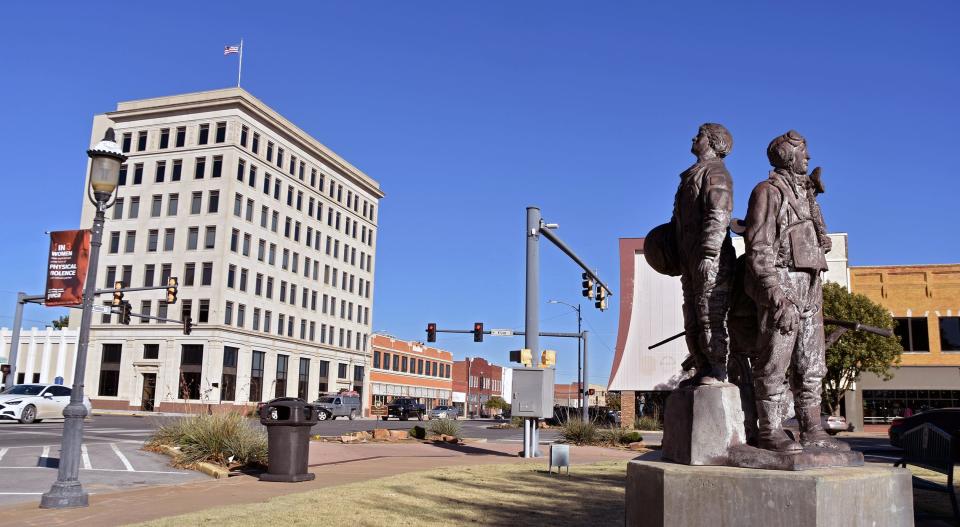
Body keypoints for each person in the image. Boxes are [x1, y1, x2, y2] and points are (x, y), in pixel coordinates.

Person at [744, 130, 847, 452]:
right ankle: (770, 430)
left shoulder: (806, 195)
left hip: (811, 284)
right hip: (784, 282)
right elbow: (758, 246)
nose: (809, 158)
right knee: (775, 361)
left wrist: (820, 241)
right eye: (804, 153)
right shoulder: (768, 191)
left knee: (812, 362)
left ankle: (812, 428)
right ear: (788, 157)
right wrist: (775, 293)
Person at [671, 123, 737, 385]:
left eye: (699, 135)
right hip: (690, 259)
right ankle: (701, 367)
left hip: (711, 261)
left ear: (712, 141)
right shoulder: (692, 175)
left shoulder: (716, 172)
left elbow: (718, 214)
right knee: (693, 317)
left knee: (710, 314)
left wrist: (709, 253)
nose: (693, 138)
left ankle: (717, 370)